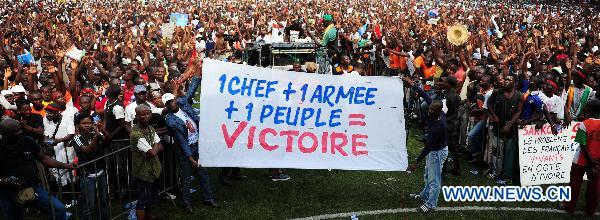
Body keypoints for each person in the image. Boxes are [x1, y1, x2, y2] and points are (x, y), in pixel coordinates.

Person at [164, 59, 219, 212]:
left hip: (198, 146)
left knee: (204, 174)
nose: (173, 103)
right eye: (169, 102)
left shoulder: (182, 103)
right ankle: (186, 203)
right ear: (166, 106)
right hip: (186, 152)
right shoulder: (171, 121)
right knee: (186, 178)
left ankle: (208, 198)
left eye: (173, 100)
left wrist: (197, 72)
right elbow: (181, 141)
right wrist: (190, 158)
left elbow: (193, 87)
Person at [0, 118, 75, 220]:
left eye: (20, 131)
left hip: (33, 189)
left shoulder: (27, 141)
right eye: (15, 133)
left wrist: (66, 165)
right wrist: (4, 182)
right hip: (8, 195)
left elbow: (43, 158)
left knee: (58, 209)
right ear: (5, 134)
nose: (19, 134)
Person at [405, 76, 448, 213]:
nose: (429, 111)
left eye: (431, 111)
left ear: (438, 111)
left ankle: (430, 205)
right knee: (427, 175)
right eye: (429, 109)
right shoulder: (436, 107)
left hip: (437, 152)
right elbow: (424, 94)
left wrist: (416, 162)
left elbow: (428, 147)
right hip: (434, 151)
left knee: (434, 180)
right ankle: (424, 196)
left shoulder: (439, 126)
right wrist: (412, 85)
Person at [565, 100, 600, 216]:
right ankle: (590, 209)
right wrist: (595, 162)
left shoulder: (584, 124)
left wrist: (590, 160)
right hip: (597, 161)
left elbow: (582, 144)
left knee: (575, 184)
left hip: (581, 160)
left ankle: (569, 207)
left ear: (589, 109)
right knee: (594, 186)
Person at [487, 74, 523, 184]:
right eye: (505, 79)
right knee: (496, 149)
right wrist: (494, 115)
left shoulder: (519, 95)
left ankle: (506, 173)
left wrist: (509, 125)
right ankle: (496, 171)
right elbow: (489, 103)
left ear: (514, 83)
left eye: (509, 80)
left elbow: (519, 111)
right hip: (498, 125)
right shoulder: (497, 92)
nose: (506, 81)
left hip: (510, 128)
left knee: (508, 150)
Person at [72, 113, 109, 220]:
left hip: (101, 172)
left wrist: (103, 131)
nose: (87, 125)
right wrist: (96, 138)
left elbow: (108, 140)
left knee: (103, 201)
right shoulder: (77, 138)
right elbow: (87, 150)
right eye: (84, 123)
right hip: (87, 176)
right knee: (89, 205)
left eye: (89, 123)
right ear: (78, 125)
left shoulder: (95, 134)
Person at [130, 105, 163, 220]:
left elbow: (160, 146)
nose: (146, 116)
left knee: (150, 197)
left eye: (148, 113)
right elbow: (153, 152)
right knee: (143, 200)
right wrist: (155, 145)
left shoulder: (150, 128)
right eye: (143, 114)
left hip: (153, 169)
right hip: (143, 171)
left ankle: (149, 216)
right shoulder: (136, 134)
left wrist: (154, 147)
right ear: (137, 116)